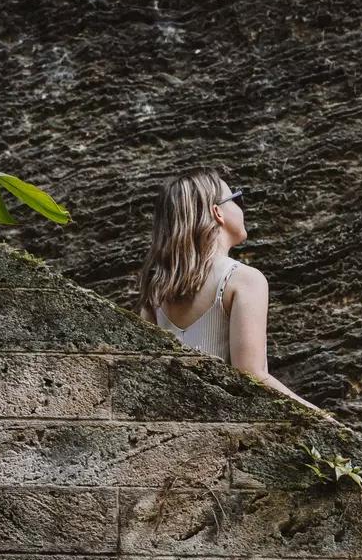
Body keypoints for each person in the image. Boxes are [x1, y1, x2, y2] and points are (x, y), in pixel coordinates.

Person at [138, 169, 327, 415]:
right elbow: (251, 374)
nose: (241, 207)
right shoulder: (244, 280)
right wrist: (323, 417)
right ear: (218, 212)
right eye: (236, 198)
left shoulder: (155, 295)